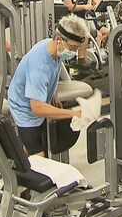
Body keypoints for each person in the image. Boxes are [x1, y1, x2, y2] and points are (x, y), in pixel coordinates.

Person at [7, 15, 87, 156]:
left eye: (77, 48)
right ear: (58, 39)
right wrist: (73, 114)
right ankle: (15, 170)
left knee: (33, 147)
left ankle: (17, 162)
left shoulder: (52, 48)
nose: (74, 52)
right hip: (24, 108)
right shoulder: (39, 65)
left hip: (38, 102)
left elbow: (52, 75)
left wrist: (54, 95)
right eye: (72, 47)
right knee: (39, 157)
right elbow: (37, 108)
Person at [60, 0, 109, 69]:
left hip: (85, 17)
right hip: (72, 18)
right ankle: (79, 59)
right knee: (84, 35)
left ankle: (83, 59)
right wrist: (84, 6)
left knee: (93, 34)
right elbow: (70, 6)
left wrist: (95, 3)